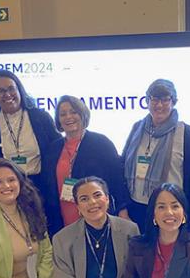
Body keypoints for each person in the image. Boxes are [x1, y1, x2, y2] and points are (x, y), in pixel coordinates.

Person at [122, 79, 190, 233]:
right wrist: (123, 207)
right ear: (147, 101)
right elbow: (123, 165)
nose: (159, 105)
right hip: (137, 209)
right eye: (154, 99)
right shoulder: (137, 128)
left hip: (171, 210)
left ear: (173, 101)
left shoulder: (186, 133)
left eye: (165, 99)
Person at [41, 96, 130, 237]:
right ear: (58, 120)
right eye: (63, 114)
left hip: (96, 214)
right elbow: (47, 186)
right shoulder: (53, 149)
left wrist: (122, 209)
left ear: (82, 114)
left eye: (73, 112)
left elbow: (117, 180)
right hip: (61, 218)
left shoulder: (102, 143)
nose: (68, 117)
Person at [0, 69, 60, 188]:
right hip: (6, 188)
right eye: (1, 91)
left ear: (19, 90)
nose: (7, 94)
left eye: (11, 88)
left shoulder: (41, 118)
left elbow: (57, 148)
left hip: (41, 185)